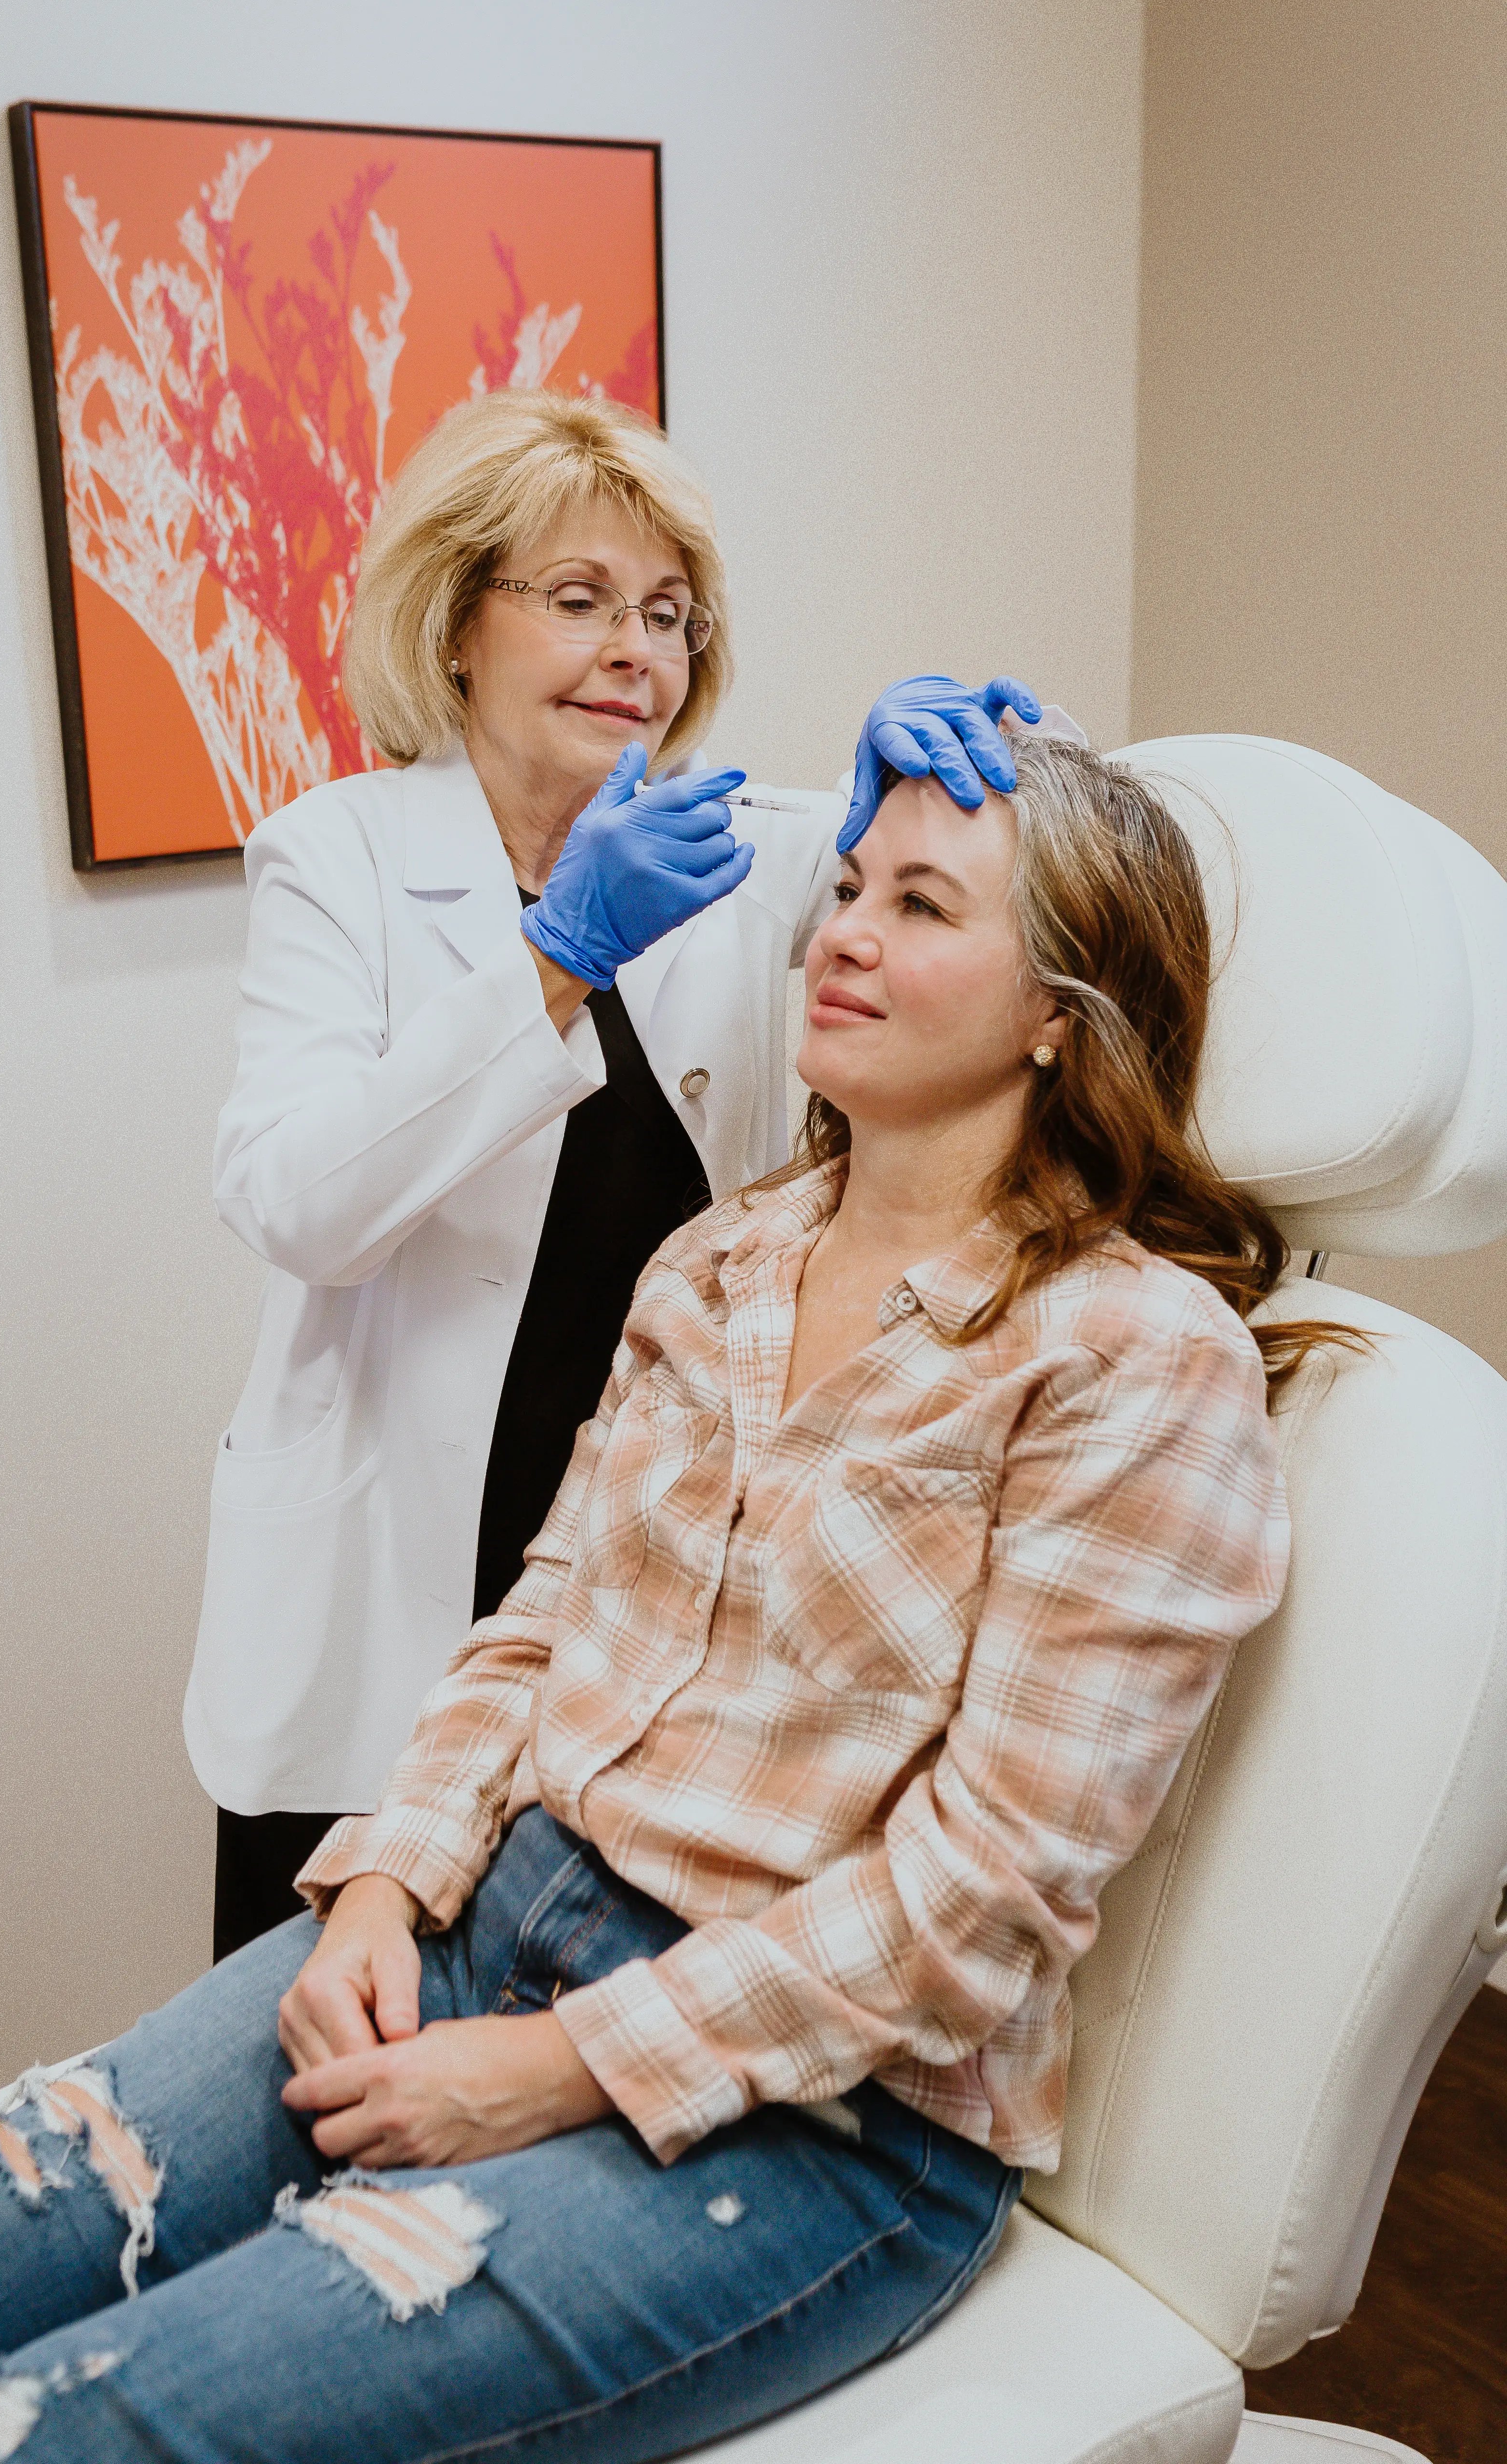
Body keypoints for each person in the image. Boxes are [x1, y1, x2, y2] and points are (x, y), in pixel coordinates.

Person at [0, 738, 1351, 2464]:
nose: (842, 936)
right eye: (844, 890)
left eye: (920, 903)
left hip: (829, 2116)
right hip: (483, 1917)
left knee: (60, 2432)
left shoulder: (1137, 1362)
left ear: (1063, 1010)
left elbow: (982, 1891)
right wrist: (378, 1887)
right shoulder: (719, 1259)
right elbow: (539, 1622)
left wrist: (559, 2067)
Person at [187, 384, 1047, 1958]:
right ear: (457, 625)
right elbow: (300, 1204)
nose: (633, 650)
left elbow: (1004, 955)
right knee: (309, 2049)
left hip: (639, 1567)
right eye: (577, 602)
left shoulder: (749, 852)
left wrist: (936, 811)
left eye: (665, 613)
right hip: (393, 1580)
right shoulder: (341, 857)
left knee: (549, 2018)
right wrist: (553, 958)